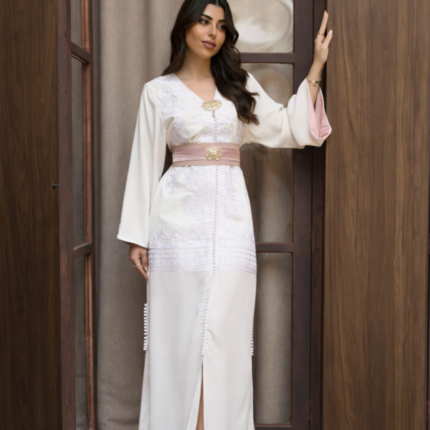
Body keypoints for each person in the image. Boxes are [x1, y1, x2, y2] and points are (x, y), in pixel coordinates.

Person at [117, 0, 333, 429]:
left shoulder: (239, 86)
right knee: (178, 339)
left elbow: (288, 127)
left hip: (232, 228)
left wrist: (316, 67)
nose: (212, 32)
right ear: (185, 27)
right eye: (203, 22)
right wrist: (138, 236)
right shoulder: (157, 92)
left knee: (225, 339)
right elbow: (144, 161)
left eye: (220, 25)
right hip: (177, 229)